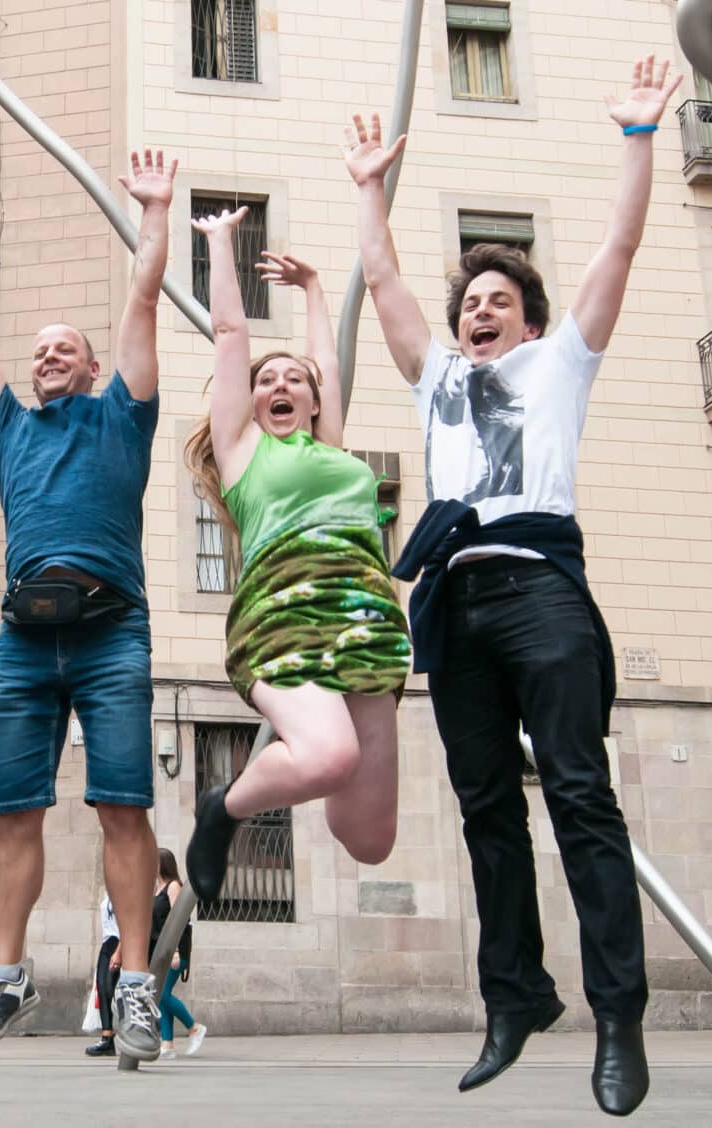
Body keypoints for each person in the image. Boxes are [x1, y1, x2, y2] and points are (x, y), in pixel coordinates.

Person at [346, 56, 681, 1117]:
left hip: (539, 588)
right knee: (485, 804)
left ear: (529, 320)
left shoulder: (558, 364)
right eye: (470, 303)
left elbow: (618, 245)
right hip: (453, 604)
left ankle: (617, 1013)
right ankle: (514, 994)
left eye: (497, 300)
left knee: (577, 792)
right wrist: (366, 190)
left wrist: (635, 137)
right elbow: (389, 290)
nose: (477, 311)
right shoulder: (441, 379)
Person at [0, 149, 176, 1061]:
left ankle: (135, 986)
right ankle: (7, 979)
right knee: (15, 812)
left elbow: (142, 301)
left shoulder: (123, 416)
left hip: (112, 636)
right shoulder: (11, 426)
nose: (49, 356)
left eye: (67, 349)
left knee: (122, 809)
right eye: (41, 351)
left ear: (97, 368)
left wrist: (154, 211)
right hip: (25, 641)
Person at [181, 212, 412, 899]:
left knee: (371, 840)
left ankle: (304, 772)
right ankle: (222, 810)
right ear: (251, 402)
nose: (280, 386)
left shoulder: (334, 451)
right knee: (330, 754)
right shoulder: (245, 453)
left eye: (294, 381)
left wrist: (314, 288)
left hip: (368, 623)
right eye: (266, 381)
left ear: (314, 402)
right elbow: (230, 333)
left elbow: (328, 359)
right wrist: (219, 243)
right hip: (283, 617)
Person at [151, 850, 206, 1060]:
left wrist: (174, 951)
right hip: (161, 950)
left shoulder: (173, 886)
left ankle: (194, 1027)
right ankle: (168, 1043)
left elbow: (178, 920)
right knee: (161, 997)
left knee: (162, 994)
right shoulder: (157, 888)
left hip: (174, 950)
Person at [85, 892, 121, 1057]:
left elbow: (128, 925)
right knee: (102, 988)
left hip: (119, 943)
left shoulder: (125, 889)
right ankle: (107, 1037)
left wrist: (119, 952)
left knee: (111, 988)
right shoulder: (109, 891)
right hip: (108, 942)